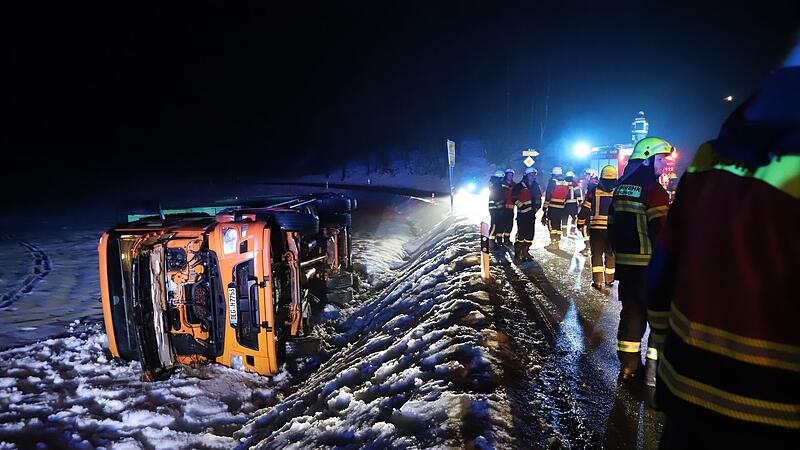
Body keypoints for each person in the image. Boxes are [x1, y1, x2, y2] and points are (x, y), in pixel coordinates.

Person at [647, 46, 800, 447]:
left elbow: (663, 267)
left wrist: (663, 345)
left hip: (687, 393)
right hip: (776, 416)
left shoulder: (711, 159)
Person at [607, 136, 672, 382]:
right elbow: (662, 232)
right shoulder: (655, 191)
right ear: (646, 160)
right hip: (649, 266)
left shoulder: (620, 188)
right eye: (660, 159)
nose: (663, 164)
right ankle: (653, 374)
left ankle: (628, 367)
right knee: (658, 318)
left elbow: (612, 226)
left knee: (631, 314)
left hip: (626, 266)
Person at [578, 165, 617, 291]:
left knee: (597, 254)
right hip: (612, 229)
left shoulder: (594, 191)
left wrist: (580, 222)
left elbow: (585, 207)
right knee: (611, 254)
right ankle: (610, 279)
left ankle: (598, 281)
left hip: (596, 229)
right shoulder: (618, 191)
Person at [512, 167, 542, 261]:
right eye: (531, 174)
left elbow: (538, 197)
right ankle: (518, 252)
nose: (533, 176)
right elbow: (513, 198)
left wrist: (537, 206)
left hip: (531, 214)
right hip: (522, 214)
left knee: (530, 233)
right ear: (526, 175)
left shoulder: (535, 186)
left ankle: (526, 251)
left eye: (534, 175)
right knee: (521, 233)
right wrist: (521, 206)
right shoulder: (519, 186)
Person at [542, 166, 569, 248]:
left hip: (552, 207)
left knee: (551, 225)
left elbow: (548, 195)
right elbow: (567, 195)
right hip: (561, 207)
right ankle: (556, 242)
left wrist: (545, 207)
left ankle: (553, 243)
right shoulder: (565, 183)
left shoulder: (552, 182)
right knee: (557, 225)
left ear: (553, 174)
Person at [487, 170, 505, 248]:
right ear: (500, 178)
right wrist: (500, 208)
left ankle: (493, 242)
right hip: (495, 209)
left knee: (496, 224)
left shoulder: (495, 184)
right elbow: (497, 198)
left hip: (494, 208)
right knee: (494, 225)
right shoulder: (497, 185)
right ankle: (491, 243)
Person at [563, 170, 584, 237]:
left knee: (564, 218)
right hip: (573, 204)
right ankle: (572, 231)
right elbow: (578, 193)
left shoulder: (563, 183)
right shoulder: (574, 184)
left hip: (565, 204)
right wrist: (580, 202)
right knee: (574, 218)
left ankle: (564, 232)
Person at [499, 168, 516, 246]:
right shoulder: (501, 183)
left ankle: (507, 239)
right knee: (501, 224)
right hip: (503, 207)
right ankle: (499, 240)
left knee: (509, 224)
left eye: (511, 175)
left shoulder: (514, 185)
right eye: (508, 175)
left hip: (511, 208)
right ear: (506, 175)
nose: (510, 176)